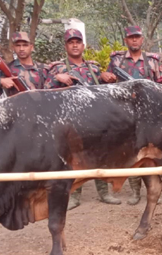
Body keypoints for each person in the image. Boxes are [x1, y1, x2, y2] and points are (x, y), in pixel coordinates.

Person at [102, 25, 162, 205]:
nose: (134, 40)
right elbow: (109, 81)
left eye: (137, 37)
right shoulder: (117, 61)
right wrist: (106, 75)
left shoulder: (151, 61)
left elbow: (159, 83)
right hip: (125, 114)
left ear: (142, 40)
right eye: (131, 37)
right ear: (126, 40)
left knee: (150, 151)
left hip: (149, 115)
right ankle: (135, 191)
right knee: (131, 151)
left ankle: (154, 187)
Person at [43, 29, 120, 208]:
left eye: (78, 42)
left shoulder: (92, 67)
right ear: (66, 46)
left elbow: (101, 90)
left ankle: (104, 193)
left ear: (83, 45)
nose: (75, 45)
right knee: (74, 157)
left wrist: (104, 78)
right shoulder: (57, 68)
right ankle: (75, 195)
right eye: (71, 42)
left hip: (94, 119)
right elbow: (45, 90)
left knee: (99, 154)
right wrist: (56, 78)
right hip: (70, 121)